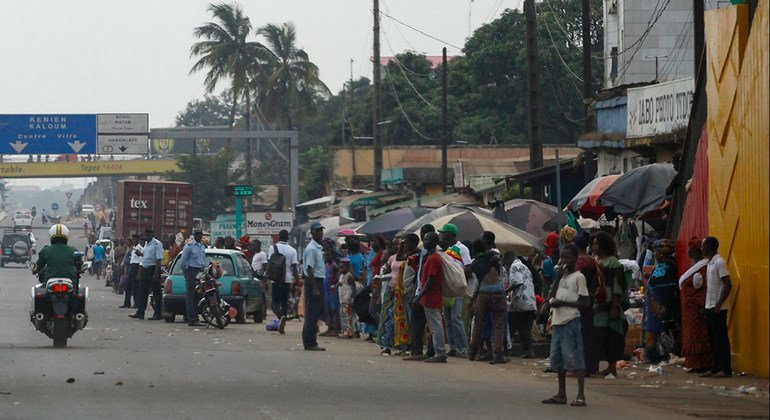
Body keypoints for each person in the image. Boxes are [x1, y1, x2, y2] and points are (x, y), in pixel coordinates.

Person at [541, 245, 589, 407]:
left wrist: (563, 303)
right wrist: (557, 279)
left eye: (567, 258)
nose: (563, 261)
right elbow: (553, 295)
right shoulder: (561, 276)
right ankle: (561, 394)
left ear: (575, 258)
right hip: (557, 321)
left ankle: (581, 395)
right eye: (562, 258)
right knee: (559, 360)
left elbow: (585, 302)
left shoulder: (578, 277)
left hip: (571, 321)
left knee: (575, 358)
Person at [592, 231, 629, 377]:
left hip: (608, 305)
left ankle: (611, 367)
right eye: (593, 244)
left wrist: (614, 305)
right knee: (598, 335)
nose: (594, 247)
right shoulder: (596, 261)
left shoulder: (613, 262)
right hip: (598, 305)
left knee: (611, 336)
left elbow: (617, 287)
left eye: (596, 244)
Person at [468, 239, 506, 364]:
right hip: (498, 293)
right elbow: (499, 258)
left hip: (483, 293)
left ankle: (472, 353)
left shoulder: (474, 264)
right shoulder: (492, 256)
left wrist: (473, 299)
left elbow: (477, 281)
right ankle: (498, 355)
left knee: (478, 323)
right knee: (498, 324)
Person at [678, 237, 713, 373]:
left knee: (698, 334)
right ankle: (693, 363)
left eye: (691, 250)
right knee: (690, 334)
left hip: (697, 308)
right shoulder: (695, 267)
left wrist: (701, 304)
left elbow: (703, 288)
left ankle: (702, 363)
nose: (688, 252)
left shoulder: (704, 267)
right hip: (689, 309)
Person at [700, 237, 733, 378]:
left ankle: (726, 369)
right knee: (712, 339)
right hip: (710, 305)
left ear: (709, 247)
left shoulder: (719, 262)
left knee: (720, 339)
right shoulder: (710, 263)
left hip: (718, 307)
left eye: (703, 246)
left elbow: (727, 284)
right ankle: (715, 367)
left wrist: (719, 303)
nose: (701, 249)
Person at [413, 232, 447, 363]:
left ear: (433, 242)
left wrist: (419, 295)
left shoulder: (434, 258)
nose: (424, 241)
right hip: (430, 296)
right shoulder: (431, 257)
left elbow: (430, 280)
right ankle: (438, 352)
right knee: (433, 326)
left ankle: (440, 353)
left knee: (436, 326)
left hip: (431, 296)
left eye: (426, 239)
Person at [438, 223, 470, 358]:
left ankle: (463, 348)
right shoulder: (444, 250)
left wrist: (457, 277)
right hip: (446, 289)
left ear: (451, 234)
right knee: (448, 319)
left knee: (456, 318)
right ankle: (453, 347)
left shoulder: (461, 248)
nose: (441, 235)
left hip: (456, 288)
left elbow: (468, 267)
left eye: (443, 233)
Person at [644, 239, 678, 364]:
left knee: (659, 328)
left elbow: (662, 284)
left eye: (656, 252)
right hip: (656, 303)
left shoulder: (666, 265)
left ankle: (657, 354)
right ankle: (655, 353)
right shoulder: (665, 264)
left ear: (661, 253)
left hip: (660, 303)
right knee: (656, 329)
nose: (654, 254)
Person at [265, 230, 299, 334]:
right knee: (284, 302)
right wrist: (297, 280)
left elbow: (269, 263)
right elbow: (294, 267)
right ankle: (282, 319)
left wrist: (266, 278)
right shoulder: (293, 250)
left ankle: (281, 317)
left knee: (274, 302)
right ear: (288, 238)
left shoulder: (273, 248)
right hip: (287, 279)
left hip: (276, 279)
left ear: (279, 237)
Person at [506, 251, 538, 359]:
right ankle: (529, 351)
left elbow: (517, 282)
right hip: (530, 301)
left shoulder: (514, 266)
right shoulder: (524, 267)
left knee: (509, 326)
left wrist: (505, 291)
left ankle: (506, 351)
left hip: (520, 302)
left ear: (508, 259)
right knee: (525, 329)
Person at [302, 222, 327, 351]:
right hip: (314, 281)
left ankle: (311, 341)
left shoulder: (318, 248)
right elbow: (309, 269)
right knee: (312, 313)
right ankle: (309, 343)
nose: (320, 233)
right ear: (312, 233)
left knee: (316, 312)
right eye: (317, 231)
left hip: (319, 280)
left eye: (321, 230)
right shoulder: (311, 248)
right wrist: (315, 288)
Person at [130, 229, 165, 320]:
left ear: (152, 235)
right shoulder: (146, 245)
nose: (146, 236)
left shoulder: (157, 244)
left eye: (148, 235)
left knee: (156, 293)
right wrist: (140, 272)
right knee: (142, 292)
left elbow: (158, 260)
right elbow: (144, 259)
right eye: (145, 235)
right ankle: (140, 312)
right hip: (145, 270)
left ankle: (158, 313)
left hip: (153, 269)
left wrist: (156, 273)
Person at [393, 234, 418, 352]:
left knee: (413, 320)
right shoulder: (408, 254)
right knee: (408, 319)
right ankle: (410, 345)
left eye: (407, 243)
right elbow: (398, 258)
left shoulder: (417, 254)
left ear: (414, 243)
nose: (405, 245)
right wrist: (401, 246)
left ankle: (414, 347)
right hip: (405, 291)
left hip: (412, 291)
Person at [179, 230, 206, 327]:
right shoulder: (189, 246)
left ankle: (195, 317)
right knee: (191, 296)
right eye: (197, 234)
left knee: (198, 295)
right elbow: (183, 262)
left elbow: (203, 260)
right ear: (194, 235)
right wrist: (187, 273)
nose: (199, 236)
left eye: (200, 234)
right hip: (191, 271)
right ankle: (192, 319)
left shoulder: (202, 246)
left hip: (200, 272)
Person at [320, 240, 341, 337]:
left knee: (334, 309)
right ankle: (330, 328)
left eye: (327, 255)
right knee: (328, 309)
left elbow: (338, 275)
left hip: (332, 290)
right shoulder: (326, 265)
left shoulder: (334, 265)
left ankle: (336, 329)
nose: (325, 256)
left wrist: (335, 284)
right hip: (326, 290)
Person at [337, 258, 359, 339]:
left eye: (342, 267)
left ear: (347, 267)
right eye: (340, 267)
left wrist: (352, 298)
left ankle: (347, 333)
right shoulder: (341, 275)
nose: (340, 269)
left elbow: (354, 288)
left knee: (346, 316)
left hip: (347, 299)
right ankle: (349, 332)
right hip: (342, 298)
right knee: (344, 316)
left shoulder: (350, 276)